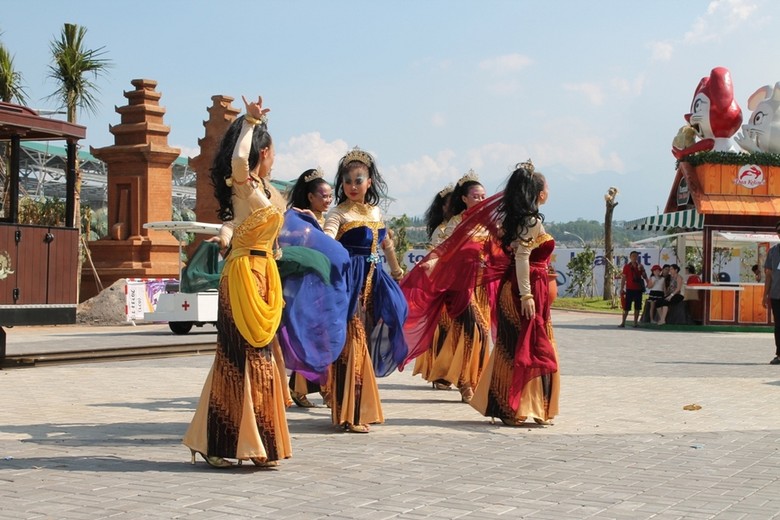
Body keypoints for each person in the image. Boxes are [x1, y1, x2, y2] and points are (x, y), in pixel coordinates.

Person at [183, 96, 291, 468]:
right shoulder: (243, 183)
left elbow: (252, 228)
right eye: (273, 151)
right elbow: (238, 161)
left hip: (264, 276)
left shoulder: (270, 193)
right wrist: (249, 122)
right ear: (263, 151)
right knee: (235, 357)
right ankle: (218, 442)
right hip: (242, 274)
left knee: (260, 358)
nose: (275, 157)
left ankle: (259, 443)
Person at [322, 147, 409, 433]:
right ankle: (352, 412)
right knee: (354, 343)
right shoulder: (338, 213)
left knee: (367, 340)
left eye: (358, 180)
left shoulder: (375, 211)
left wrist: (397, 272)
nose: (352, 187)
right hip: (349, 284)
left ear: (369, 181)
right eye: (347, 181)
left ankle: (352, 408)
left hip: (374, 283)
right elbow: (328, 241)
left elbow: (387, 245)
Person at [469, 160, 559, 426]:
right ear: (540, 193)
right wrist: (527, 296)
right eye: (547, 188)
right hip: (524, 290)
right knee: (530, 346)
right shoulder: (530, 222)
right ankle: (520, 407)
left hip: (517, 288)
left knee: (513, 346)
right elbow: (522, 257)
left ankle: (518, 407)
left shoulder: (513, 222)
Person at [422, 171, 489, 401]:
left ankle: (475, 379)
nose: (481, 200)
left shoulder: (488, 223)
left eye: (483, 196)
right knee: (472, 330)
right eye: (476, 196)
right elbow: (445, 251)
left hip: (483, 286)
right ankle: (463, 382)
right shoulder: (455, 223)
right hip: (461, 285)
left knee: (483, 333)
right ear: (464, 199)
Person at [285, 168, 334, 408]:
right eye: (323, 196)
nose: (328, 200)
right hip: (306, 287)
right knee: (312, 337)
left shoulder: (325, 219)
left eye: (330, 196)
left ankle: (301, 386)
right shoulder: (301, 221)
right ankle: (319, 389)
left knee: (320, 337)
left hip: (322, 286)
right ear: (310, 197)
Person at [412, 183, 456, 387]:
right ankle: (439, 373)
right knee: (443, 327)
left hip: (460, 281)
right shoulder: (442, 230)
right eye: (449, 204)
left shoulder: (459, 224)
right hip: (443, 283)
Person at [762, 221, 780, 365]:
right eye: (779, 231)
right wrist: (765, 295)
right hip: (776, 295)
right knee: (778, 325)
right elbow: (768, 275)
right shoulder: (773, 252)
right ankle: (779, 354)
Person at [619, 251, 648, 328]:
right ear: (630, 257)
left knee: (637, 307)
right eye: (633, 256)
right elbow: (624, 278)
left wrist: (642, 270)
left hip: (638, 289)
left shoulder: (640, 266)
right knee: (626, 307)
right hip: (629, 289)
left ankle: (635, 323)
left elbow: (644, 276)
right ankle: (623, 322)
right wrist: (622, 288)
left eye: (636, 256)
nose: (635, 258)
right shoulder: (627, 267)